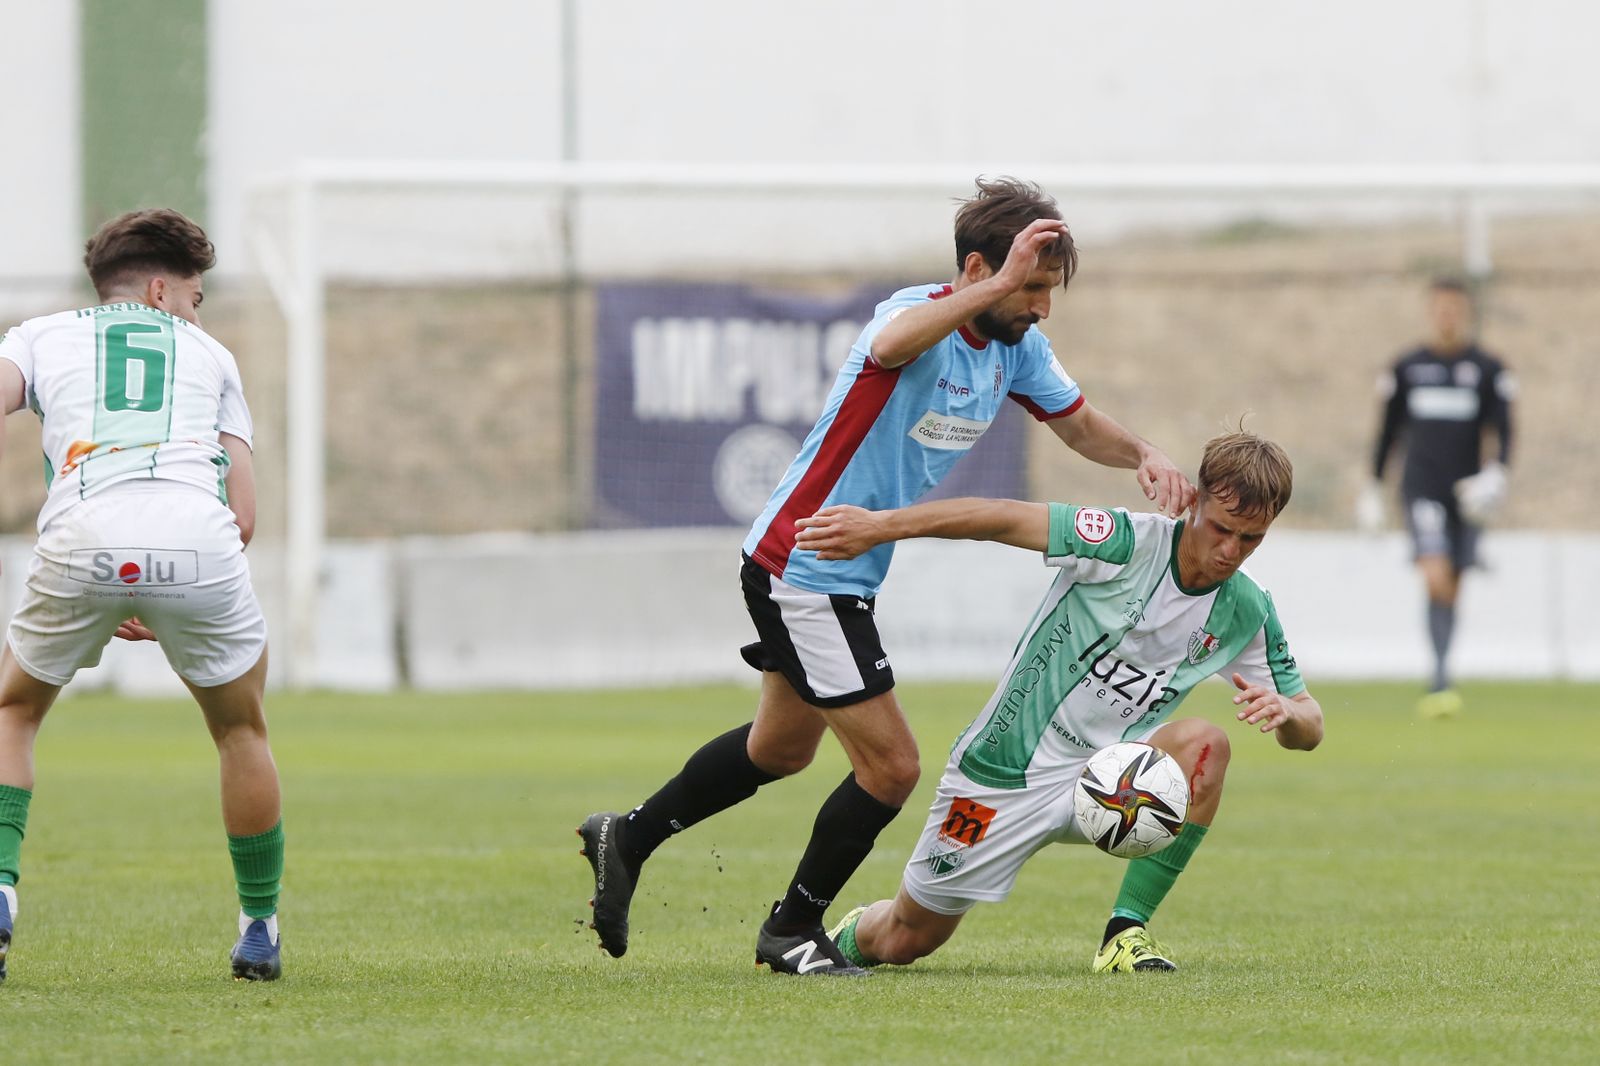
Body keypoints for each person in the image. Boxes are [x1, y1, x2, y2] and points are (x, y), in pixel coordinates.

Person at [579, 177, 1194, 976]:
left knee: (779, 748)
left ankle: (624, 837)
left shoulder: (1017, 347)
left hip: (844, 569)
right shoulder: (914, 313)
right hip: (804, 563)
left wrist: (1145, 453)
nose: (1040, 306)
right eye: (1030, 286)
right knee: (893, 767)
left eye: (1046, 291)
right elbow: (890, 346)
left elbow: (1077, 425)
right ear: (977, 267)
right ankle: (792, 928)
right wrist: (1002, 285)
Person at [792, 429, 1323, 974]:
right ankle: (850, 933)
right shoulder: (1122, 543)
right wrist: (881, 528)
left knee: (1206, 747)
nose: (1231, 550)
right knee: (907, 939)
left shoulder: (1247, 609)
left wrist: (1287, 717)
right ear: (1195, 501)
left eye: (1251, 538)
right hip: (1004, 771)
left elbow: (1310, 722)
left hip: (1108, 778)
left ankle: (1125, 934)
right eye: (1222, 529)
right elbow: (999, 517)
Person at [0, 209, 284, 983]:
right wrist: (166, 588)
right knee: (239, 730)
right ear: (161, 290)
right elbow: (246, 517)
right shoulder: (214, 357)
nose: (197, 311)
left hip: (82, 535)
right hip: (197, 535)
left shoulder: (37, 335)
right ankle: (259, 926)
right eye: (194, 296)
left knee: (15, 710)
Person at [1357, 277, 1514, 718]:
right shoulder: (1407, 367)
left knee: (1452, 585)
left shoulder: (1487, 368)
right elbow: (1387, 432)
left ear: (1465, 313)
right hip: (1421, 489)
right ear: (1431, 311)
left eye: (1455, 308)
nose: (1447, 316)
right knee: (1436, 575)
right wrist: (1373, 486)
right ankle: (1441, 678)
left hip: (1466, 497)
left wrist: (1496, 474)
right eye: (1440, 308)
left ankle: (1442, 673)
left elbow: (1502, 428)